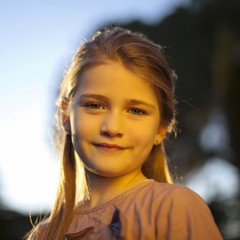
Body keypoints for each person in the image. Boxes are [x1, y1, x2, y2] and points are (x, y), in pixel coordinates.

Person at [25, 26, 223, 240]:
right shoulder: (44, 234)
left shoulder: (174, 208)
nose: (112, 127)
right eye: (94, 105)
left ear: (161, 129)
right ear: (66, 116)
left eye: (136, 111)